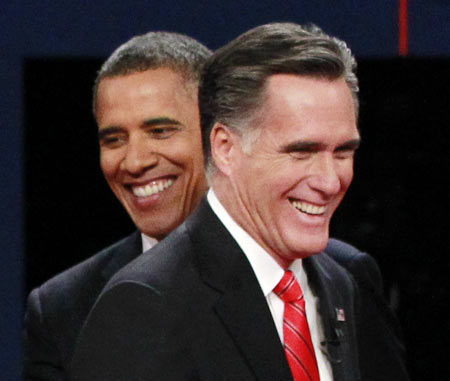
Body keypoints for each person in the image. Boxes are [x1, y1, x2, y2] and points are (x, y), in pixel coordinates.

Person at [70, 23, 409, 380]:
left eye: (342, 152)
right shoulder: (144, 304)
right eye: (301, 151)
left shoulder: (342, 283)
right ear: (225, 148)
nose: (328, 181)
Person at [23, 31, 211, 380]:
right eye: (114, 140)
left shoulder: (326, 278)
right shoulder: (62, 309)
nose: (135, 161)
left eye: (160, 131)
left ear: (219, 136)